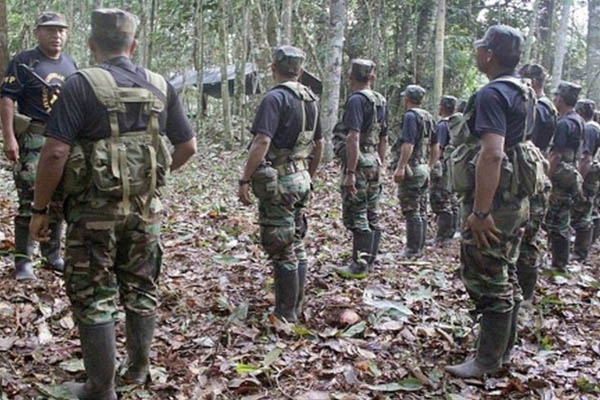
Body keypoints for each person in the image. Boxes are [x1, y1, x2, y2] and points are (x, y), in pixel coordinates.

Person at [29, 8, 196, 399]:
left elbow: (55, 153)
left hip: (93, 214)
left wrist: (40, 210)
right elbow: (187, 146)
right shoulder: (160, 85)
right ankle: (137, 370)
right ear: (132, 45)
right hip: (145, 211)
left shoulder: (79, 84)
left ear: (91, 44)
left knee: (93, 295)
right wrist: (150, 179)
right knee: (141, 286)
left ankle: (100, 388)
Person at [445, 25, 536, 378]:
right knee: (505, 272)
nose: (477, 53)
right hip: (514, 198)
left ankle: (487, 361)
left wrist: (481, 212)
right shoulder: (524, 91)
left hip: (496, 202)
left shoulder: (492, 94)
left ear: (489, 54)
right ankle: (500, 353)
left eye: (480, 48)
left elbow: (493, 153)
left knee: (489, 277)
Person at [238, 45, 323, 323]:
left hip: (280, 181)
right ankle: (295, 307)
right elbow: (319, 143)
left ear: (274, 68)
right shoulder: (311, 99)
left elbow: (262, 140)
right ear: (300, 70)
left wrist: (245, 178)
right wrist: (309, 174)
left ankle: (285, 313)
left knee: (282, 246)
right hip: (301, 177)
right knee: (296, 242)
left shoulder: (275, 98)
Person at [0, 12, 77, 280]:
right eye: (50, 30)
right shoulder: (24, 62)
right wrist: (9, 137)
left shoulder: (70, 64)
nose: (56, 35)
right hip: (34, 137)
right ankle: (23, 260)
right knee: (30, 198)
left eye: (61, 30)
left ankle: (52, 255)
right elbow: (7, 99)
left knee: (58, 198)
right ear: (38, 33)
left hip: (63, 139)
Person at [335, 59, 387, 278]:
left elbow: (353, 136)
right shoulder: (380, 100)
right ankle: (370, 260)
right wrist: (380, 162)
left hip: (360, 161)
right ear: (372, 77)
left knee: (358, 212)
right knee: (371, 211)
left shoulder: (356, 100)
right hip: (373, 159)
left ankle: (359, 265)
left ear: (350, 76)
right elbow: (384, 136)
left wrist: (350, 172)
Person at [514, 63, 555, 301]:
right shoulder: (547, 106)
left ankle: (525, 294)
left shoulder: (539, 109)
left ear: (534, 82)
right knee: (528, 234)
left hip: (532, 176)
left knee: (527, 237)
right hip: (536, 173)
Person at [392, 85, 437, 258]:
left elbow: (408, 143)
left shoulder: (411, 116)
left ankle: (412, 250)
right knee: (421, 208)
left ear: (407, 99)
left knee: (411, 209)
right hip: (423, 167)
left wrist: (401, 166)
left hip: (413, 168)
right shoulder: (429, 117)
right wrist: (429, 166)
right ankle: (419, 246)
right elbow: (436, 146)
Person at [544, 82, 584, 271]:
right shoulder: (578, 121)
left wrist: (546, 179)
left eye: (555, 97)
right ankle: (560, 262)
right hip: (570, 174)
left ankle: (558, 263)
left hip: (560, 176)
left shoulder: (564, 123)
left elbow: (556, 155)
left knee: (554, 220)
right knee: (563, 218)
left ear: (560, 99)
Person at [571, 99, 600, 261]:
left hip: (589, 174)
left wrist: (579, 181)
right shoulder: (595, 127)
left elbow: (586, 157)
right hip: (593, 173)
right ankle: (587, 245)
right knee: (590, 210)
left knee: (583, 211)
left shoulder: (589, 128)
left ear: (580, 112)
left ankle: (580, 251)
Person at [430, 95, 458, 244]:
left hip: (443, 164)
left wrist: (433, 165)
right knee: (452, 199)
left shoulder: (442, 125)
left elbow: (439, 148)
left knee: (440, 199)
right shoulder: (455, 123)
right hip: (454, 165)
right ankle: (452, 231)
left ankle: (443, 235)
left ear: (442, 107)